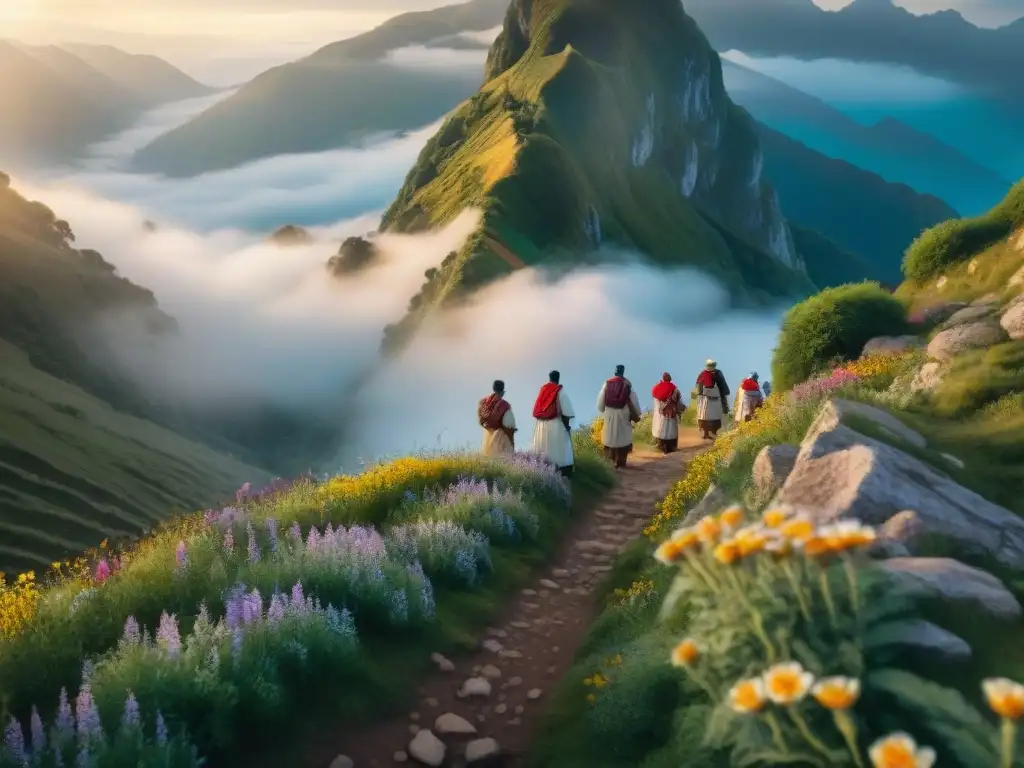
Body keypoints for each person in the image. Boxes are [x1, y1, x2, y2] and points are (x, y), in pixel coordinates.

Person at [530, 370, 576, 477]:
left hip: (541, 424)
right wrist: (567, 426)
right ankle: (563, 474)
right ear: (558, 378)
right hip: (556, 423)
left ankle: (543, 471)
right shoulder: (560, 391)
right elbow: (567, 411)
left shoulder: (542, 390)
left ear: (549, 378)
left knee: (543, 449)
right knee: (561, 448)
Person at [596, 364, 642, 468]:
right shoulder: (627, 384)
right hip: (623, 413)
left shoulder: (607, 383)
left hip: (610, 413)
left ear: (615, 371)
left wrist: (603, 409)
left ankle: (611, 461)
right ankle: (621, 461)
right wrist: (636, 413)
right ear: (623, 372)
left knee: (610, 436)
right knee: (623, 437)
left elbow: (600, 403)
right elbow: (633, 400)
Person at [478, 379, 516, 455]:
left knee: (488, 456)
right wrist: (512, 441)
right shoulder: (504, 405)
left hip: (487, 435)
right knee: (502, 459)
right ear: (502, 391)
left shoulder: (483, 402)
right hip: (500, 436)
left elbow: (481, 419)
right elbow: (508, 425)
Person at [695, 359, 730, 440]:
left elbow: (698, 386)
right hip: (716, 398)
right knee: (715, 415)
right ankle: (713, 432)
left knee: (704, 415)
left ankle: (705, 433)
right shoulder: (718, 373)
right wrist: (725, 393)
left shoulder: (702, 374)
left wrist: (700, 395)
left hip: (704, 399)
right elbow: (722, 384)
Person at [651, 372, 684, 454]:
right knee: (671, 430)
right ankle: (671, 447)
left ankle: (660, 445)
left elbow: (655, 402)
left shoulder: (656, 388)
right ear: (670, 379)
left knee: (660, 429)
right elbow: (679, 403)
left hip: (660, 415)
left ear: (663, 379)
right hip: (671, 414)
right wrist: (680, 410)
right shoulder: (675, 389)